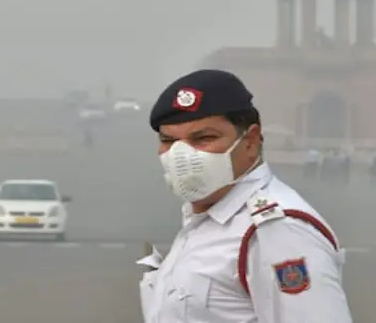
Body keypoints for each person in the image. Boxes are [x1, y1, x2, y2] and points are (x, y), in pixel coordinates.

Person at [139, 69, 352, 323]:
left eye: (204, 138)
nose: (181, 155)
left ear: (250, 141)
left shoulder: (278, 231)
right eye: (169, 141)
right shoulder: (208, 218)